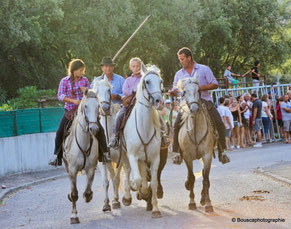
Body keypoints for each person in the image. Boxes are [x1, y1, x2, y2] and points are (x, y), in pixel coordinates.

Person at [169, 47, 230, 164]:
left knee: (219, 123)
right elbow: (176, 89)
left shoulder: (204, 69)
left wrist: (201, 87)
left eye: (182, 59)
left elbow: (215, 84)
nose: (180, 61)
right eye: (179, 59)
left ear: (189, 58)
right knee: (176, 124)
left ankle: (223, 152)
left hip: (204, 102)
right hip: (186, 104)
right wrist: (172, 92)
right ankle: (177, 152)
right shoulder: (179, 74)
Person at [49, 59, 110, 166]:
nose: (82, 73)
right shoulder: (65, 81)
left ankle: (104, 154)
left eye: (83, 70)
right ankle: (56, 157)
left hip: (85, 111)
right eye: (81, 70)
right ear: (74, 70)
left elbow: (91, 94)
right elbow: (60, 96)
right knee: (60, 131)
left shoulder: (85, 80)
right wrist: (73, 101)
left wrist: (86, 92)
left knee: (100, 129)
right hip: (70, 111)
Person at [108, 57, 143, 148]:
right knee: (119, 116)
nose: (136, 68)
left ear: (141, 67)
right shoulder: (128, 80)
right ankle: (115, 137)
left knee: (156, 115)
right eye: (134, 66)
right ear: (130, 67)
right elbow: (125, 90)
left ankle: (162, 135)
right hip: (130, 103)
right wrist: (133, 90)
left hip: (142, 103)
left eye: (138, 66)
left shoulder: (144, 78)